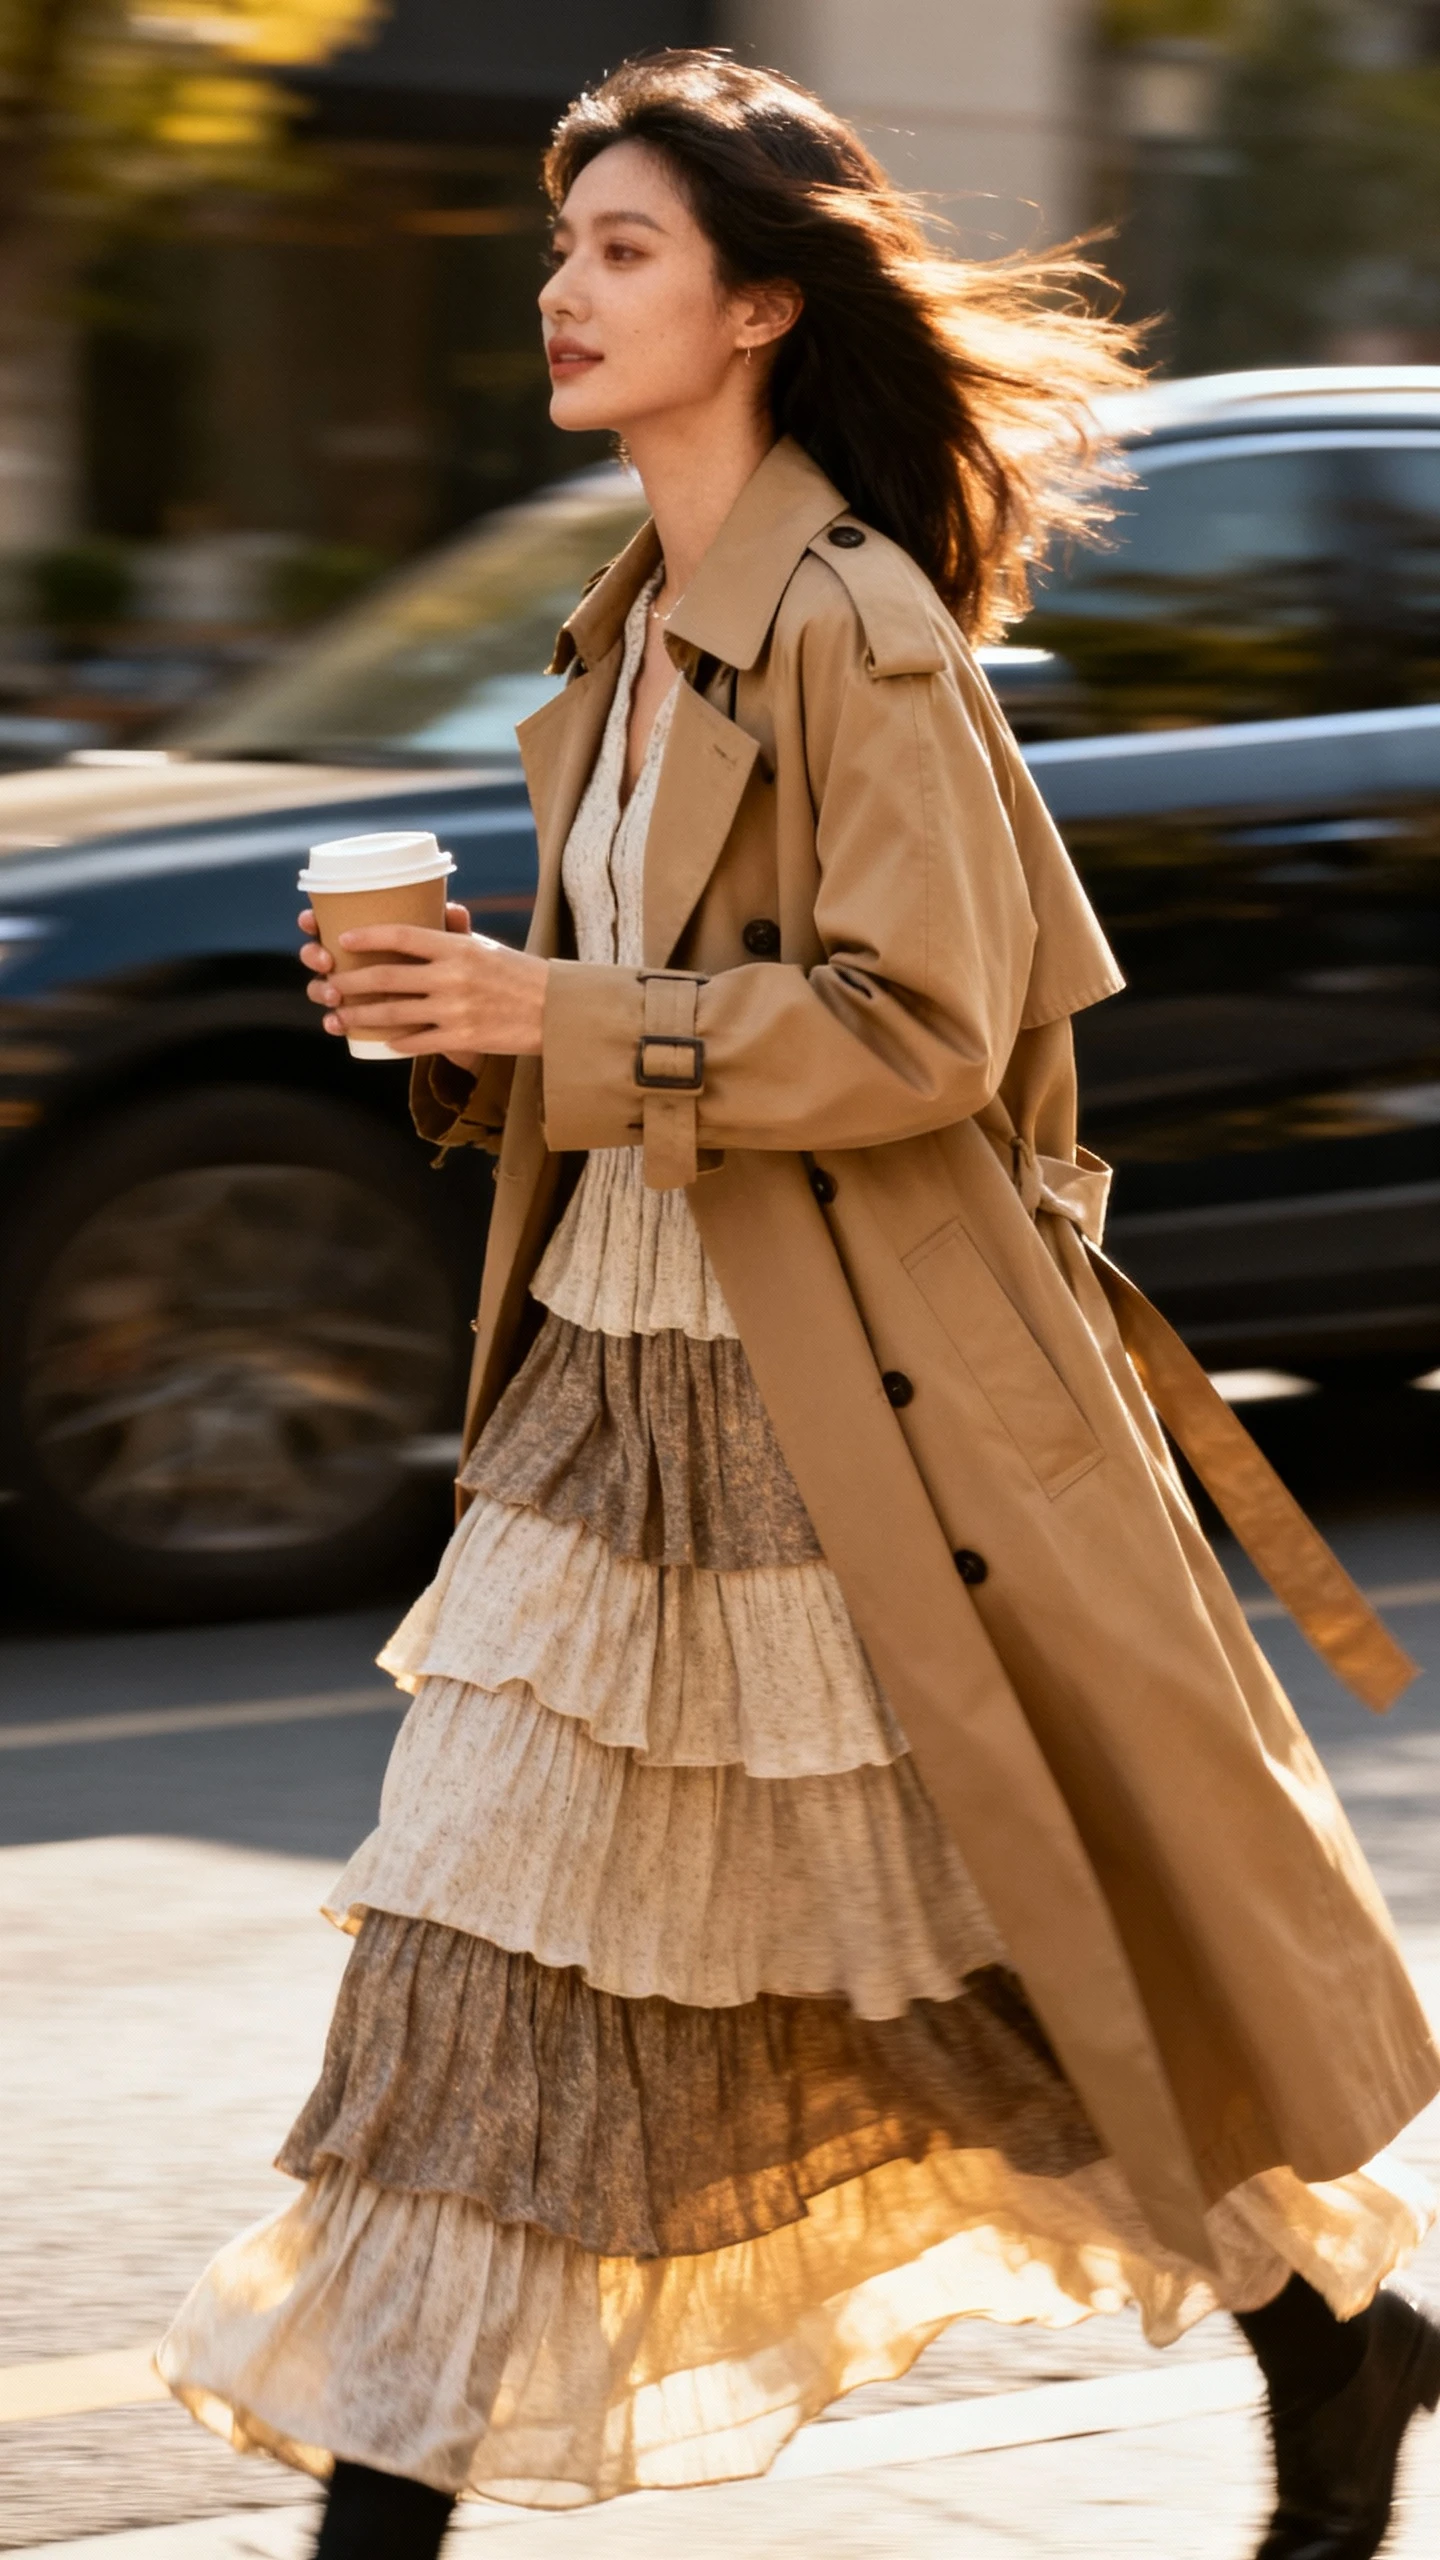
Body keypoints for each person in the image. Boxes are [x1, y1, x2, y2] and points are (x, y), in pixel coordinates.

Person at [159, 47, 1440, 2560]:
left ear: (758, 307)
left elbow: (919, 1030)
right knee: (472, 1969)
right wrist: (473, 1024)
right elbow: (642, 1024)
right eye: (562, 248)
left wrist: (567, 1015)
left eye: (622, 249)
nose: (563, 288)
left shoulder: (851, 626)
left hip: (841, 1416)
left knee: (977, 1958)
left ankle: (1333, 2331)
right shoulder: (627, 627)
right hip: (602, 1403)